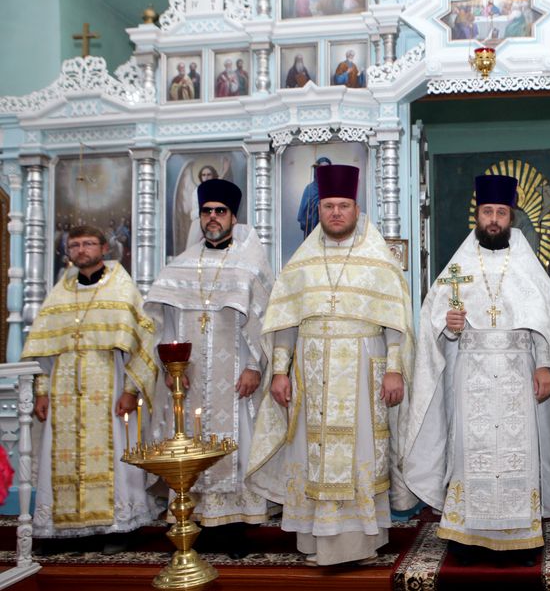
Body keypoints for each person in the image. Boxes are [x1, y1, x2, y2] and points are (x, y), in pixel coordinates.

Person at [403, 174, 550, 559]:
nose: (493, 220)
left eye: (500, 213)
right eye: (487, 212)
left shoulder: (526, 264)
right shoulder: (459, 266)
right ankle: (467, 538)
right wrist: (450, 327)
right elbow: (435, 324)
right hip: (470, 376)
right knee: (469, 453)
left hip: (517, 375)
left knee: (517, 453)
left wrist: (545, 366)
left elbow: (547, 322)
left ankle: (519, 537)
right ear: (477, 215)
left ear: (511, 216)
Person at [247, 164, 415, 566]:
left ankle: (359, 545)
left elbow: (396, 323)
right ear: (318, 209)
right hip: (311, 373)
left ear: (356, 208)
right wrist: (280, 371)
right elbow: (286, 323)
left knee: (360, 455)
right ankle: (315, 542)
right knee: (312, 456)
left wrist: (395, 369)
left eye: (343, 205)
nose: (336, 213)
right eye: (328, 206)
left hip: (363, 370)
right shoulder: (301, 264)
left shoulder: (379, 260)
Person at [146, 179, 273, 556]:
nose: (213, 217)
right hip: (190, 377)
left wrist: (254, 367)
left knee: (235, 446)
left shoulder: (250, 266)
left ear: (233, 217)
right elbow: (166, 323)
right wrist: (172, 366)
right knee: (189, 442)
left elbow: (262, 321)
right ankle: (191, 526)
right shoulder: (180, 266)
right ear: (199, 217)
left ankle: (233, 529)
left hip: (234, 378)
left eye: (220, 211)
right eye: (207, 211)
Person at [23, 225, 159, 550]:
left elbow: (143, 343)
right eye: (75, 245)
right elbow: (44, 351)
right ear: (68, 251)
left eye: (88, 244)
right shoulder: (59, 294)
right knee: (62, 460)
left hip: (109, 391)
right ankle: (65, 532)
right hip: (63, 394)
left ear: (104, 249)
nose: (81, 250)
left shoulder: (122, 289)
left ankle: (116, 528)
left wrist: (130, 390)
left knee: (114, 457)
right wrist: (41, 392)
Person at [297, 156, 333, 237]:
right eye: (321, 169)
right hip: (312, 229)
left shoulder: (334, 188)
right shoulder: (310, 189)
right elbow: (303, 214)